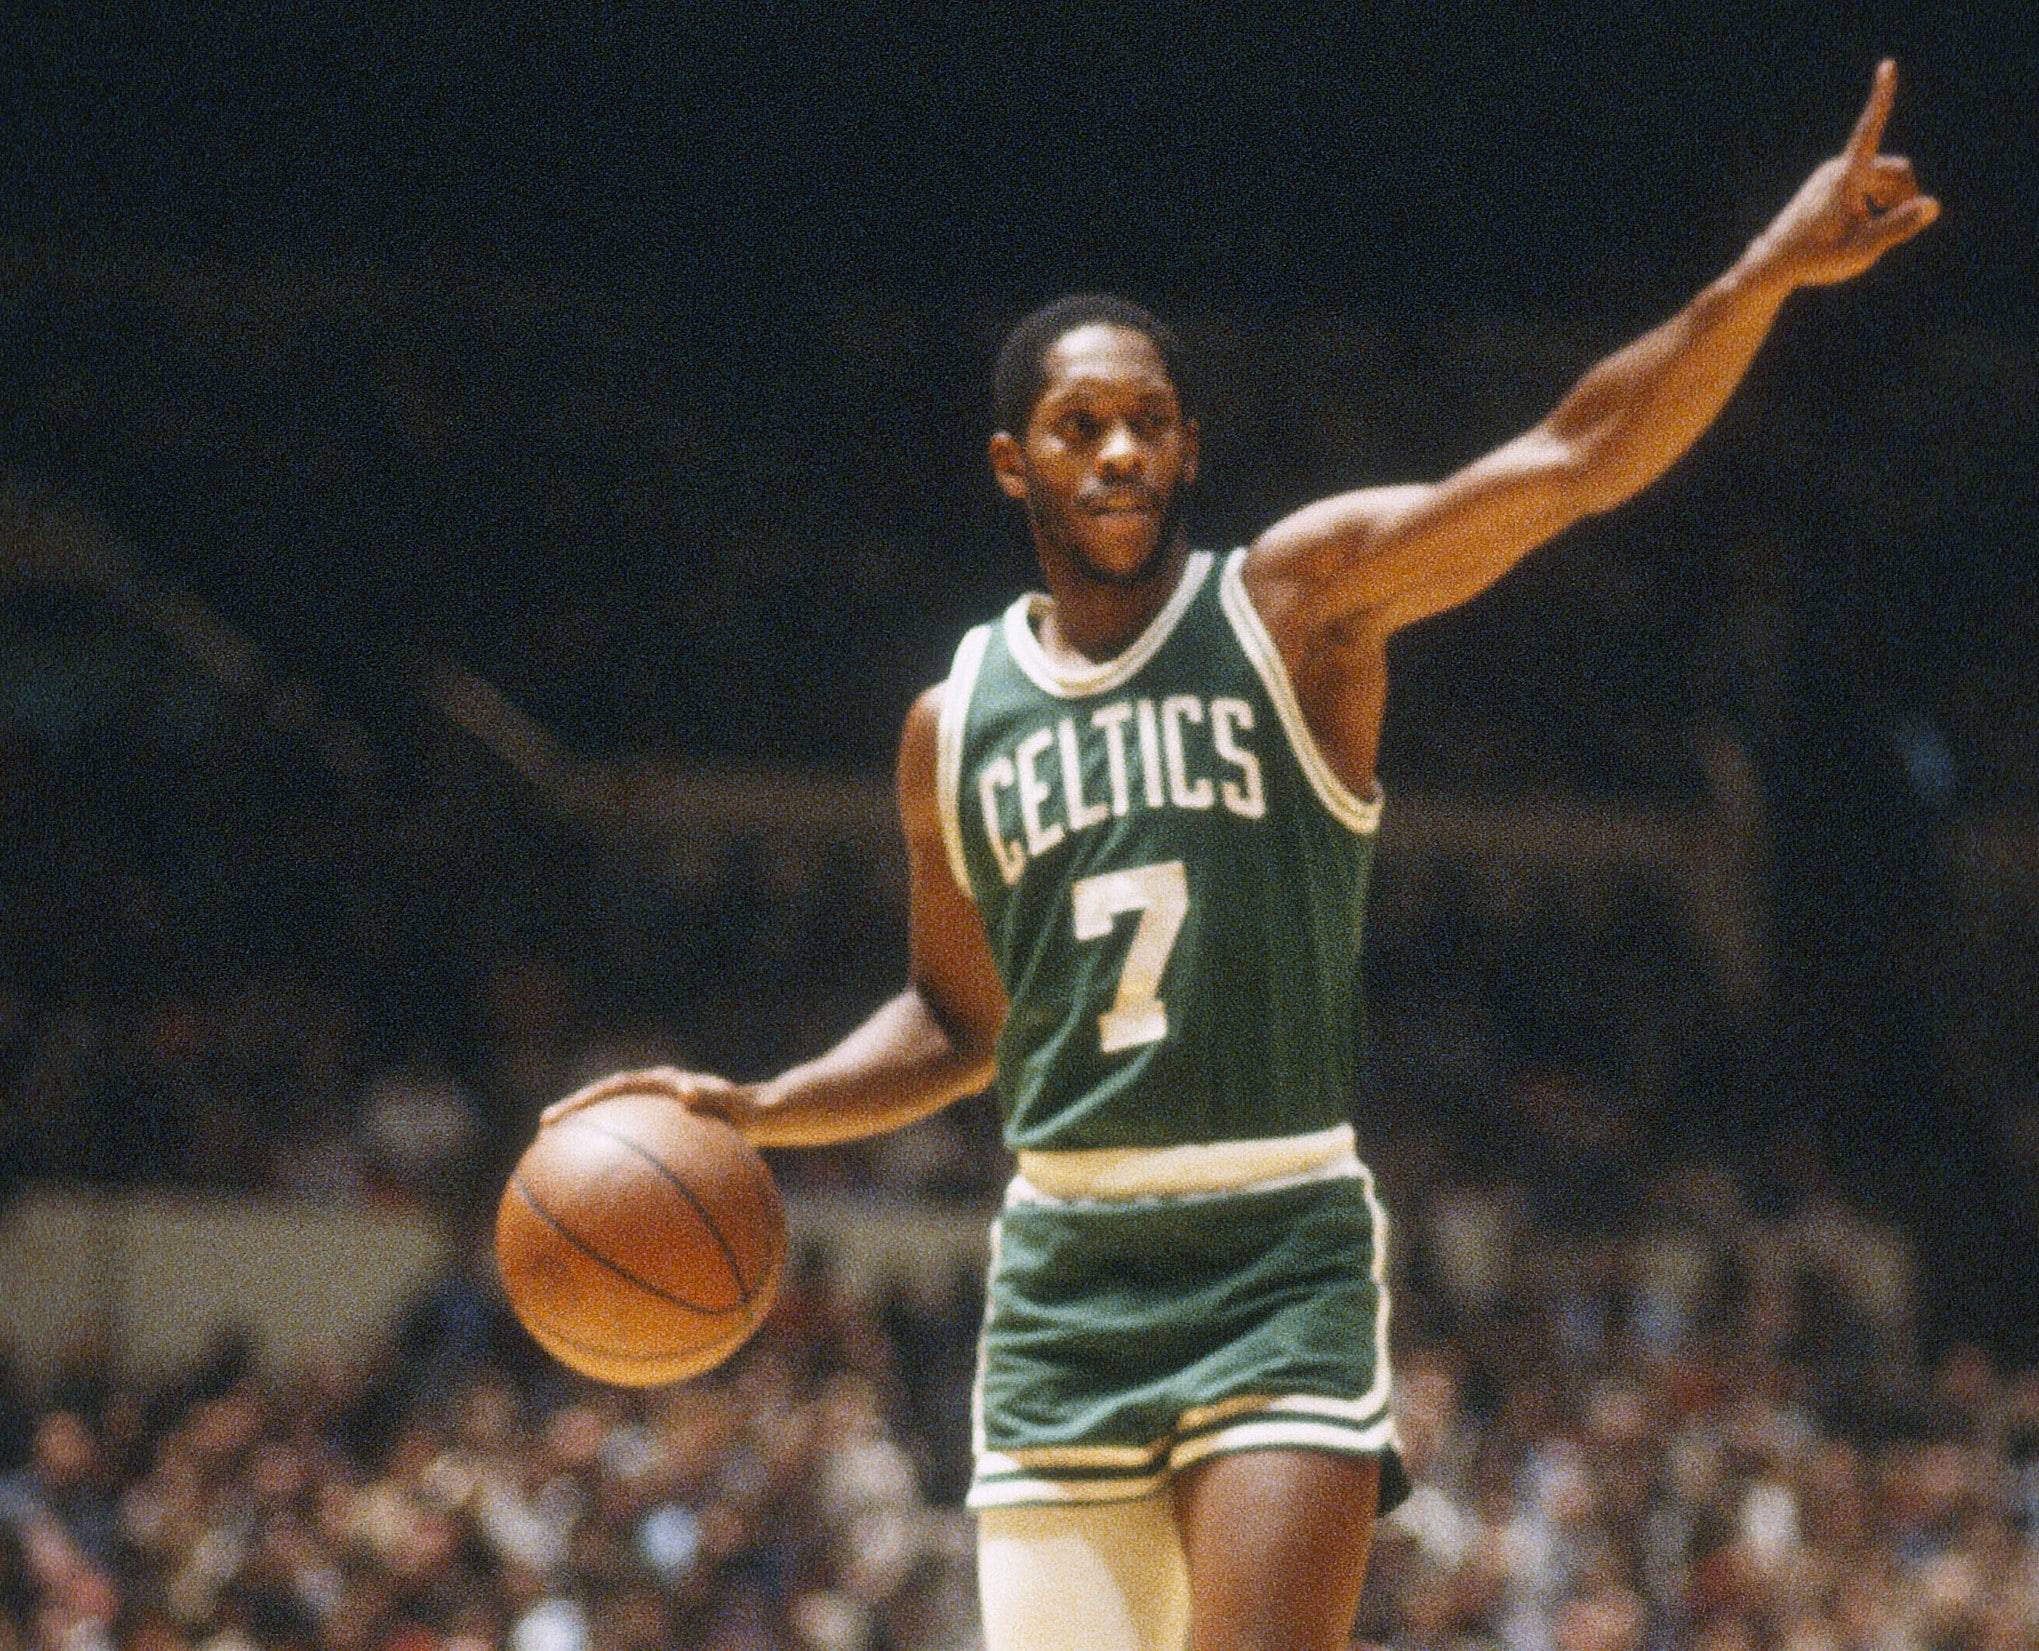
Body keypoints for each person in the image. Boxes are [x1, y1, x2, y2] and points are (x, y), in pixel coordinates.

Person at [549, 62, 1937, 1651]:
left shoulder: (1296, 606)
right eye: (1081, 426)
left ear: (1190, 450)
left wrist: (1762, 277)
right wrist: (762, 1106)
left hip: (1273, 1248)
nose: (1120, 452)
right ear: (1015, 462)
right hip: (1061, 1274)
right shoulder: (954, 724)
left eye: (1150, 423)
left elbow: (1571, 459)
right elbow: (959, 1021)